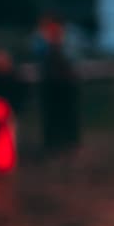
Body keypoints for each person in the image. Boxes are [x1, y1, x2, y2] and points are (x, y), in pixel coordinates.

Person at [37, 16, 81, 154]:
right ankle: (55, 145)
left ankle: (68, 144)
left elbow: (71, 63)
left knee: (67, 117)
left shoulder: (66, 43)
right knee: (53, 118)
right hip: (52, 87)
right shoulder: (45, 46)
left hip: (64, 87)